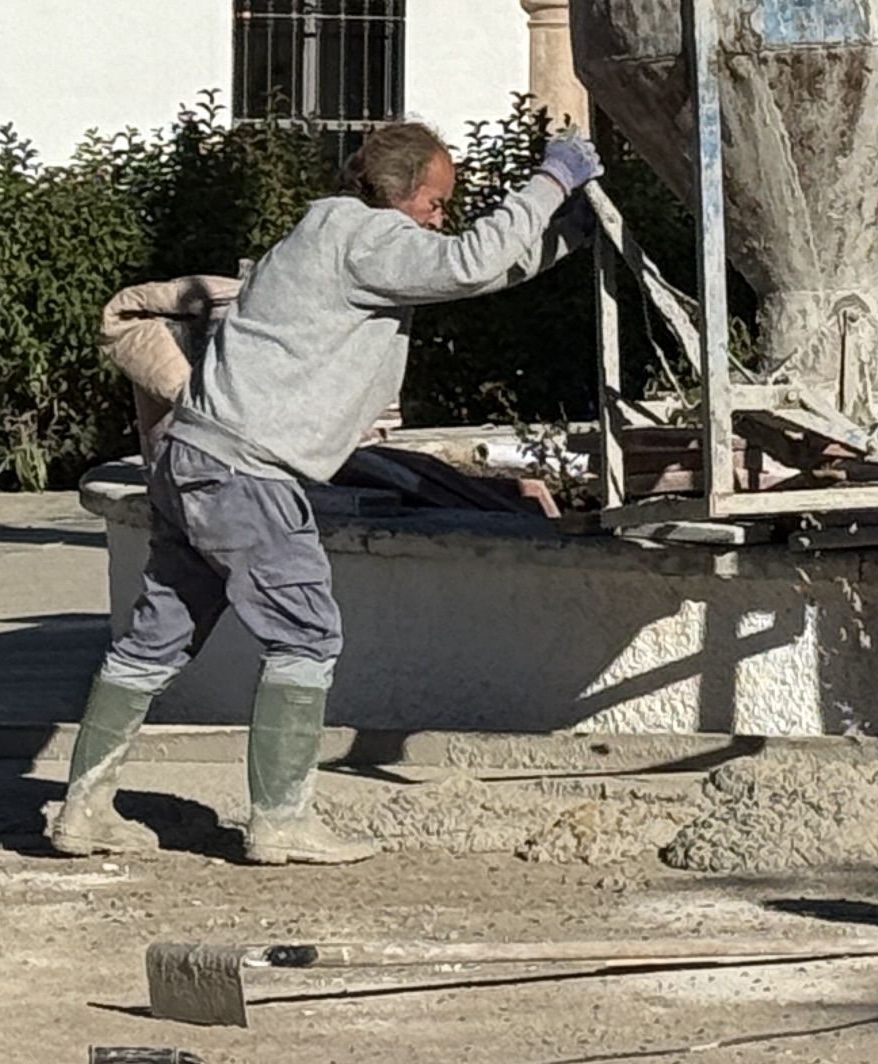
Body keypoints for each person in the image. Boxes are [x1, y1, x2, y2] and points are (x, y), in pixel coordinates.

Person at [46, 121, 599, 862]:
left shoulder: (334, 235)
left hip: (196, 457)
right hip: (249, 469)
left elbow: (467, 269)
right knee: (305, 633)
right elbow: (469, 262)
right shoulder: (363, 236)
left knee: (157, 637)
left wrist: (565, 236)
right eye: (436, 202)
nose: (442, 217)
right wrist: (552, 178)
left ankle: (83, 809)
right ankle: (280, 823)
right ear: (400, 194)